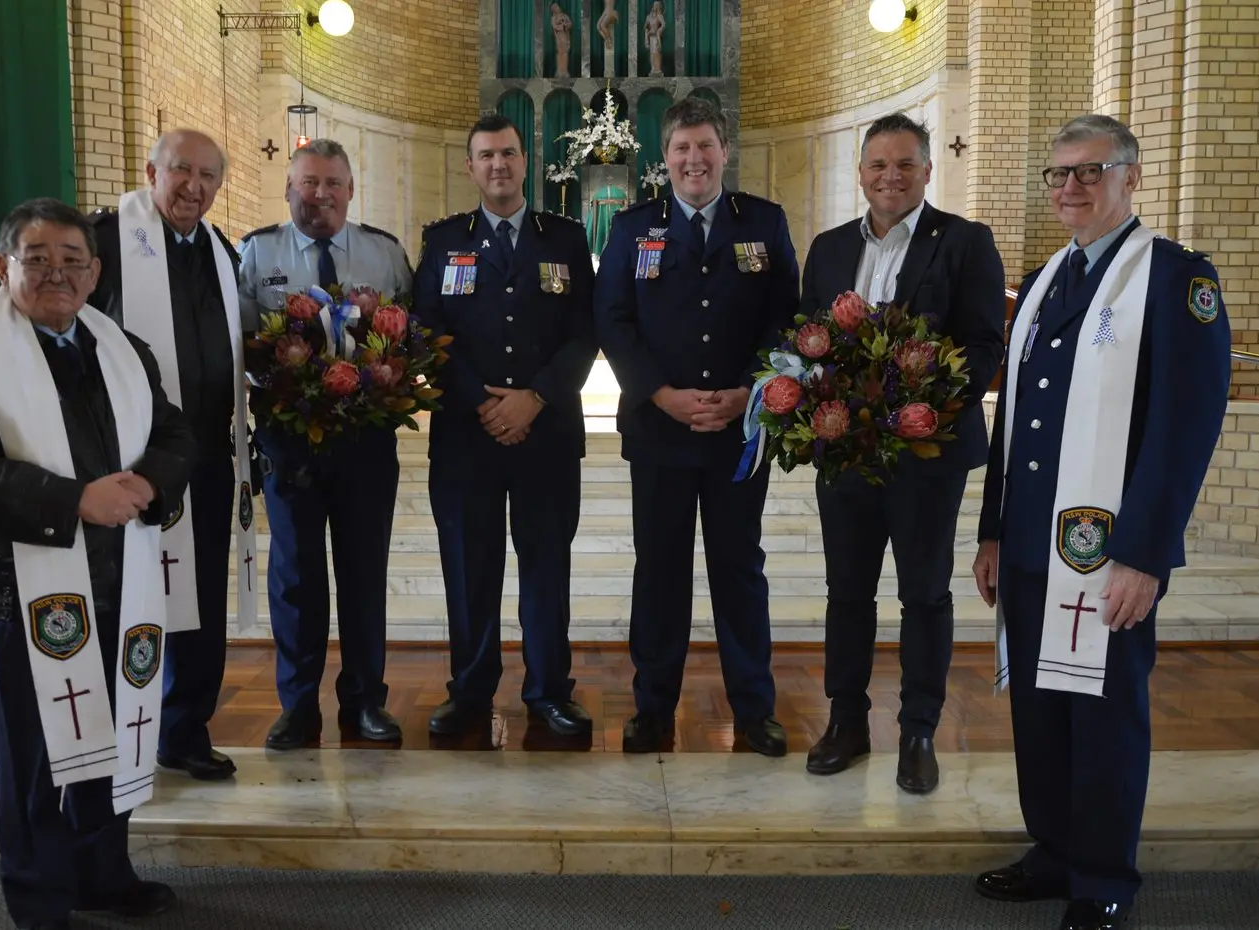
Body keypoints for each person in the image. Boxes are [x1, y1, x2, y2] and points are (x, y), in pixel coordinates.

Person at [972, 115, 1231, 930]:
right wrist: (989, 527)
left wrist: (1143, 555)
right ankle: (1052, 852)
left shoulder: (1174, 278)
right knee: (1040, 710)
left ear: (1132, 177)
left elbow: (1183, 428)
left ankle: (1102, 876)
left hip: (1105, 548)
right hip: (1026, 539)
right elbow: (1012, 414)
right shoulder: (1046, 276)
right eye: (1058, 175)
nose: (1071, 188)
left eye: (1090, 171)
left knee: (1104, 711)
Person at [0, 198, 195, 930]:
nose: (56, 275)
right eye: (36, 259)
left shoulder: (123, 350)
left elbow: (173, 432)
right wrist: (76, 500)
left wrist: (151, 484)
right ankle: (39, 898)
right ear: (4, 269)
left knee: (111, 738)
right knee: (35, 761)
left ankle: (103, 875)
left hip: (122, 583)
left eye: (72, 261)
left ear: (96, 272)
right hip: (27, 595)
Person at [799, 113, 1006, 794]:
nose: (890, 177)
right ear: (859, 173)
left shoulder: (965, 242)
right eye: (878, 165)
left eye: (904, 165)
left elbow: (983, 346)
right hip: (847, 457)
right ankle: (845, 721)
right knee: (846, 593)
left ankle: (918, 730)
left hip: (926, 453)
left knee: (924, 594)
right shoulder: (828, 248)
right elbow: (805, 342)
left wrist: (923, 403)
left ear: (925, 170)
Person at [594, 97, 799, 757]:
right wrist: (659, 393)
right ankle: (653, 708)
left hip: (740, 431)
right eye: (681, 148)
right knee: (659, 572)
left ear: (724, 151)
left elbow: (785, 319)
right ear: (664, 157)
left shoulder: (762, 223)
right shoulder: (631, 229)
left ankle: (754, 709)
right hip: (660, 432)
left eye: (704, 146)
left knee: (739, 570)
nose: (693, 159)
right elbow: (613, 322)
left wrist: (748, 391)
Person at [414, 114, 598, 737]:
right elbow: (426, 335)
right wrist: (483, 404)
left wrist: (536, 398)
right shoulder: (443, 241)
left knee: (547, 568)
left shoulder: (566, 239)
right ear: (470, 167)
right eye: (486, 155)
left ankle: (549, 692)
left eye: (509, 154)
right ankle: (469, 694)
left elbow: (585, 333)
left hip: (546, 436)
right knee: (469, 569)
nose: (499, 165)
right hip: (468, 439)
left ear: (527, 163)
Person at [89, 129, 256, 784]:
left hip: (209, 458)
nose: (193, 185)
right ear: (150, 170)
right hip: (130, 462)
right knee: (133, 597)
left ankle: (184, 729)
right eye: (181, 170)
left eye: (208, 175)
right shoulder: (104, 241)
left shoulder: (222, 250)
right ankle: (117, 731)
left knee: (199, 601)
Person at [237, 138, 414, 750]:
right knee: (295, 578)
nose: (320, 194)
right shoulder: (256, 254)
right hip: (291, 447)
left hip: (366, 445)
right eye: (308, 183)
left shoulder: (384, 255)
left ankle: (367, 701)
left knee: (365, 576)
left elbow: (412, 342)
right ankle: (298, 706)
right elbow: (239, 346)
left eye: (332, 183)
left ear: (350, 189)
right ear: (288, 189)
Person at [551, 2, 573, 77]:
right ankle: (559, 70)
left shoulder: (565, 16)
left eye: (557, 6)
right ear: (553, 10)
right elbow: (555, 27)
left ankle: (564, 70)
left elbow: (570, 24)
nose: (557, 8)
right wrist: (561, 26)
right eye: (554, 7)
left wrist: (565, 25)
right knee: (560, 53)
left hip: (566, 37)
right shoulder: (553, 18)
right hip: (559, 38)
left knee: (565, 53)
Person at [645, 2, 666, 76]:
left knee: (656, 52)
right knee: (651, 54)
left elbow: (663, 25)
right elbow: (646, 27)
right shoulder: (649, 17)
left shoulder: (659, 16)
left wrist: (659, 31)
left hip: (656, 37)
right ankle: (653, 69)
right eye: (654, 5)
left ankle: (657, 69)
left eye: (656, 6)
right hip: (650, 37)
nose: (654, 7)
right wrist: (646, 39)